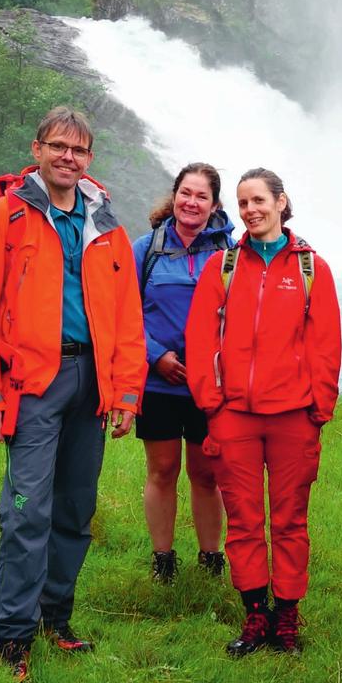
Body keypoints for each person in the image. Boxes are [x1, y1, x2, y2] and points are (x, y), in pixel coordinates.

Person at [0, 106, 146, 683]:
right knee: (25, 511)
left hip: (92, 382)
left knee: (74, 509)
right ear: (37, 149)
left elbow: (127, 316)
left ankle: (54, 620)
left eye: (79, 150)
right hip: (34, 383)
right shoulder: (4, 217)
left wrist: (126, 393)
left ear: (90, 158)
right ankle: (12, 636)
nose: (69, 157)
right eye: (59, 147)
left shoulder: (105, 224)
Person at [185, 168, 341, 656]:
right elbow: (200, 339)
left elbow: (326, 344)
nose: (251, 209)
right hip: (234, 415)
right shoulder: (223, 267)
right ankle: (255, 615)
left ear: (280, 202)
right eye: (242, 202)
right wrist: (212, 402)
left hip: (294, 416)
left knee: (291, 519)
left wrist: (320, 407)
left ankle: (288, 618)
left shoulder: (312, 268)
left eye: (259, 200)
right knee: (245, 518)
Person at [132, 163, 233, 582]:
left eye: (201, 196)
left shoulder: (231, 252)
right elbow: (122, 311)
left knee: (207, 473)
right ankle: (163, 559)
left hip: (209, 381)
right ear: (174, 196)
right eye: (185, 193)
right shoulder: (146, 249)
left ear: (214, 204)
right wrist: (156, 355)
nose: (192, 202)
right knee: (162, 469)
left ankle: (211, 558)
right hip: (159, 381)